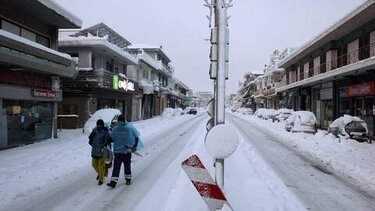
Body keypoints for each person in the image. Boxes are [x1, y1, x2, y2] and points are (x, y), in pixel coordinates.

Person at [107, 114, 139, 188]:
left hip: (127, 151)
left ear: (123, 121)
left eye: (121, 121)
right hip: (118, 152)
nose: (120, 123)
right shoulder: (115, 129)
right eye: (119, 121)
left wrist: (133, 147)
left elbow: (136, 137)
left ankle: (128, 179)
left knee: (127, 166)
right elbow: (112, 138)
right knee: (116, 167)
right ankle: (113, 182)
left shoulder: (129, 128)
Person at [88, 119, 110, 185]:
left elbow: (107, 140)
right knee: (94, 165)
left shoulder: (105, 131)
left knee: (101, 166)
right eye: (98, 125)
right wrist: (93, 145)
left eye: (100, 125)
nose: (99, 126)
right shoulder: (94, 130)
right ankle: (101, 174)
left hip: (102, 151)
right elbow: (90, 139)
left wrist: (104, 146)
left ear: (103, 125)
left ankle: (101, 179)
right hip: (94, 151)